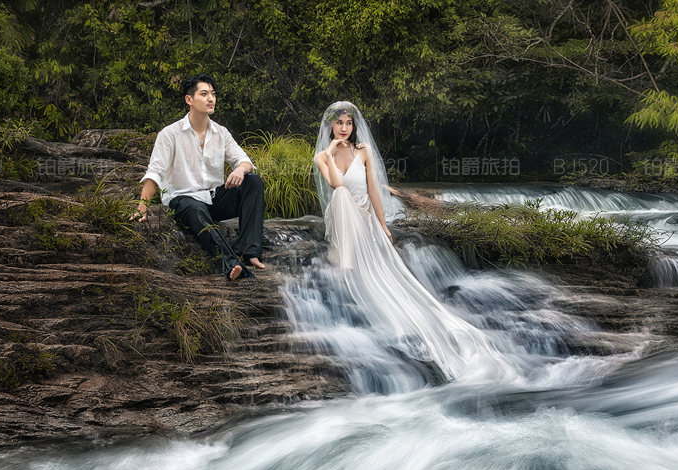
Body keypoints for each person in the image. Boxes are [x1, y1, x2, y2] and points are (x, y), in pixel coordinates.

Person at [312, 101, 514, 383]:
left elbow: (372, 191)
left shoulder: (364, 152)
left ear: (354, 127)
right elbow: (337, 184)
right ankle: (345, 259)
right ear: (330, 126)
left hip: (363, 217)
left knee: (385, 265)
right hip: (342, 213)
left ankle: (351, 256)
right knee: (343, 196)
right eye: (339, 124)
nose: (344, 129)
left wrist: (382, 226)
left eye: (348, 124)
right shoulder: (322, 157)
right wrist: (331, 152)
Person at [133, 74, 267, 282]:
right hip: (182, 200)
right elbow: (155, 172)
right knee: (194, 208)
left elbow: (244, 160)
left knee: (253, 181)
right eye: (204, 94)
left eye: (212, 94)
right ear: (189, 100)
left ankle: (249, 251)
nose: (210, 99)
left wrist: (240, 169)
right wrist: (142, 205)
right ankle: (232, 264)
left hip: (214, 198)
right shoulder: (170, 134)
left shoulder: (221, 132)